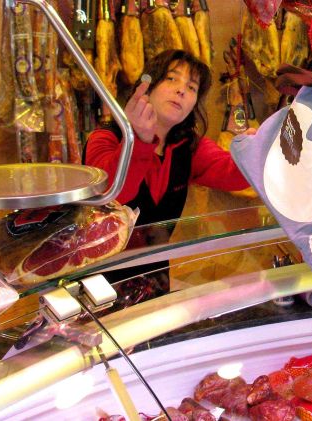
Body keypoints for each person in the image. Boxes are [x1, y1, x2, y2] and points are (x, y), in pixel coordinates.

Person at [85, 50, 251, 294]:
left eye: (192, 87)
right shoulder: (104, 138)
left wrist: (254, 152)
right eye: (171, 79)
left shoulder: (188, 147)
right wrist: (139, 139)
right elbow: (114, 193)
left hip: (154, 281)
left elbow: (232, 174)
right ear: (147, 87)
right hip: (97, 284)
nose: (181, 90)